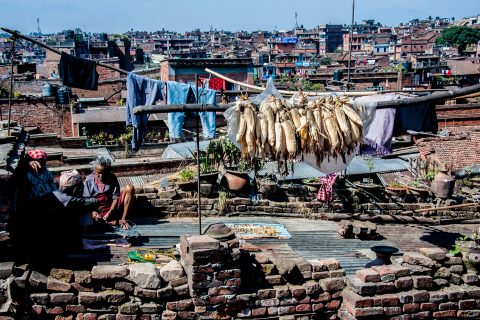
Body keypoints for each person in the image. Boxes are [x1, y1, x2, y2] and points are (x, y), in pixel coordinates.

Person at [83, 156, 135, 229]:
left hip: (111, 207)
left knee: (130, 188)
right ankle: (109, 222)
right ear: (95, 171)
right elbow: (86, 200)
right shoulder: (89, 179)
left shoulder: (112, 178)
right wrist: (93, 212)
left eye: (104, 173)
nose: (101, 176)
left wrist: (110, 212)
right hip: (98, 209)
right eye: (98, 173)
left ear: (108, 172)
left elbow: (115, 198)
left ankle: (123, 219)